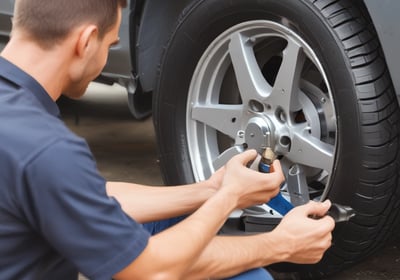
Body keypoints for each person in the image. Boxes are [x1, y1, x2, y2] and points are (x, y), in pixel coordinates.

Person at [0, 0, 335, 279]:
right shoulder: (47, 149)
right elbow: (149, 272)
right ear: (86, 41)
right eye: (110, 44)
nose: (106, 55)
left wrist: (212, 189)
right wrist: (278, 243)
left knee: (180, 224)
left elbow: (90, 196)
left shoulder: (18, 115)